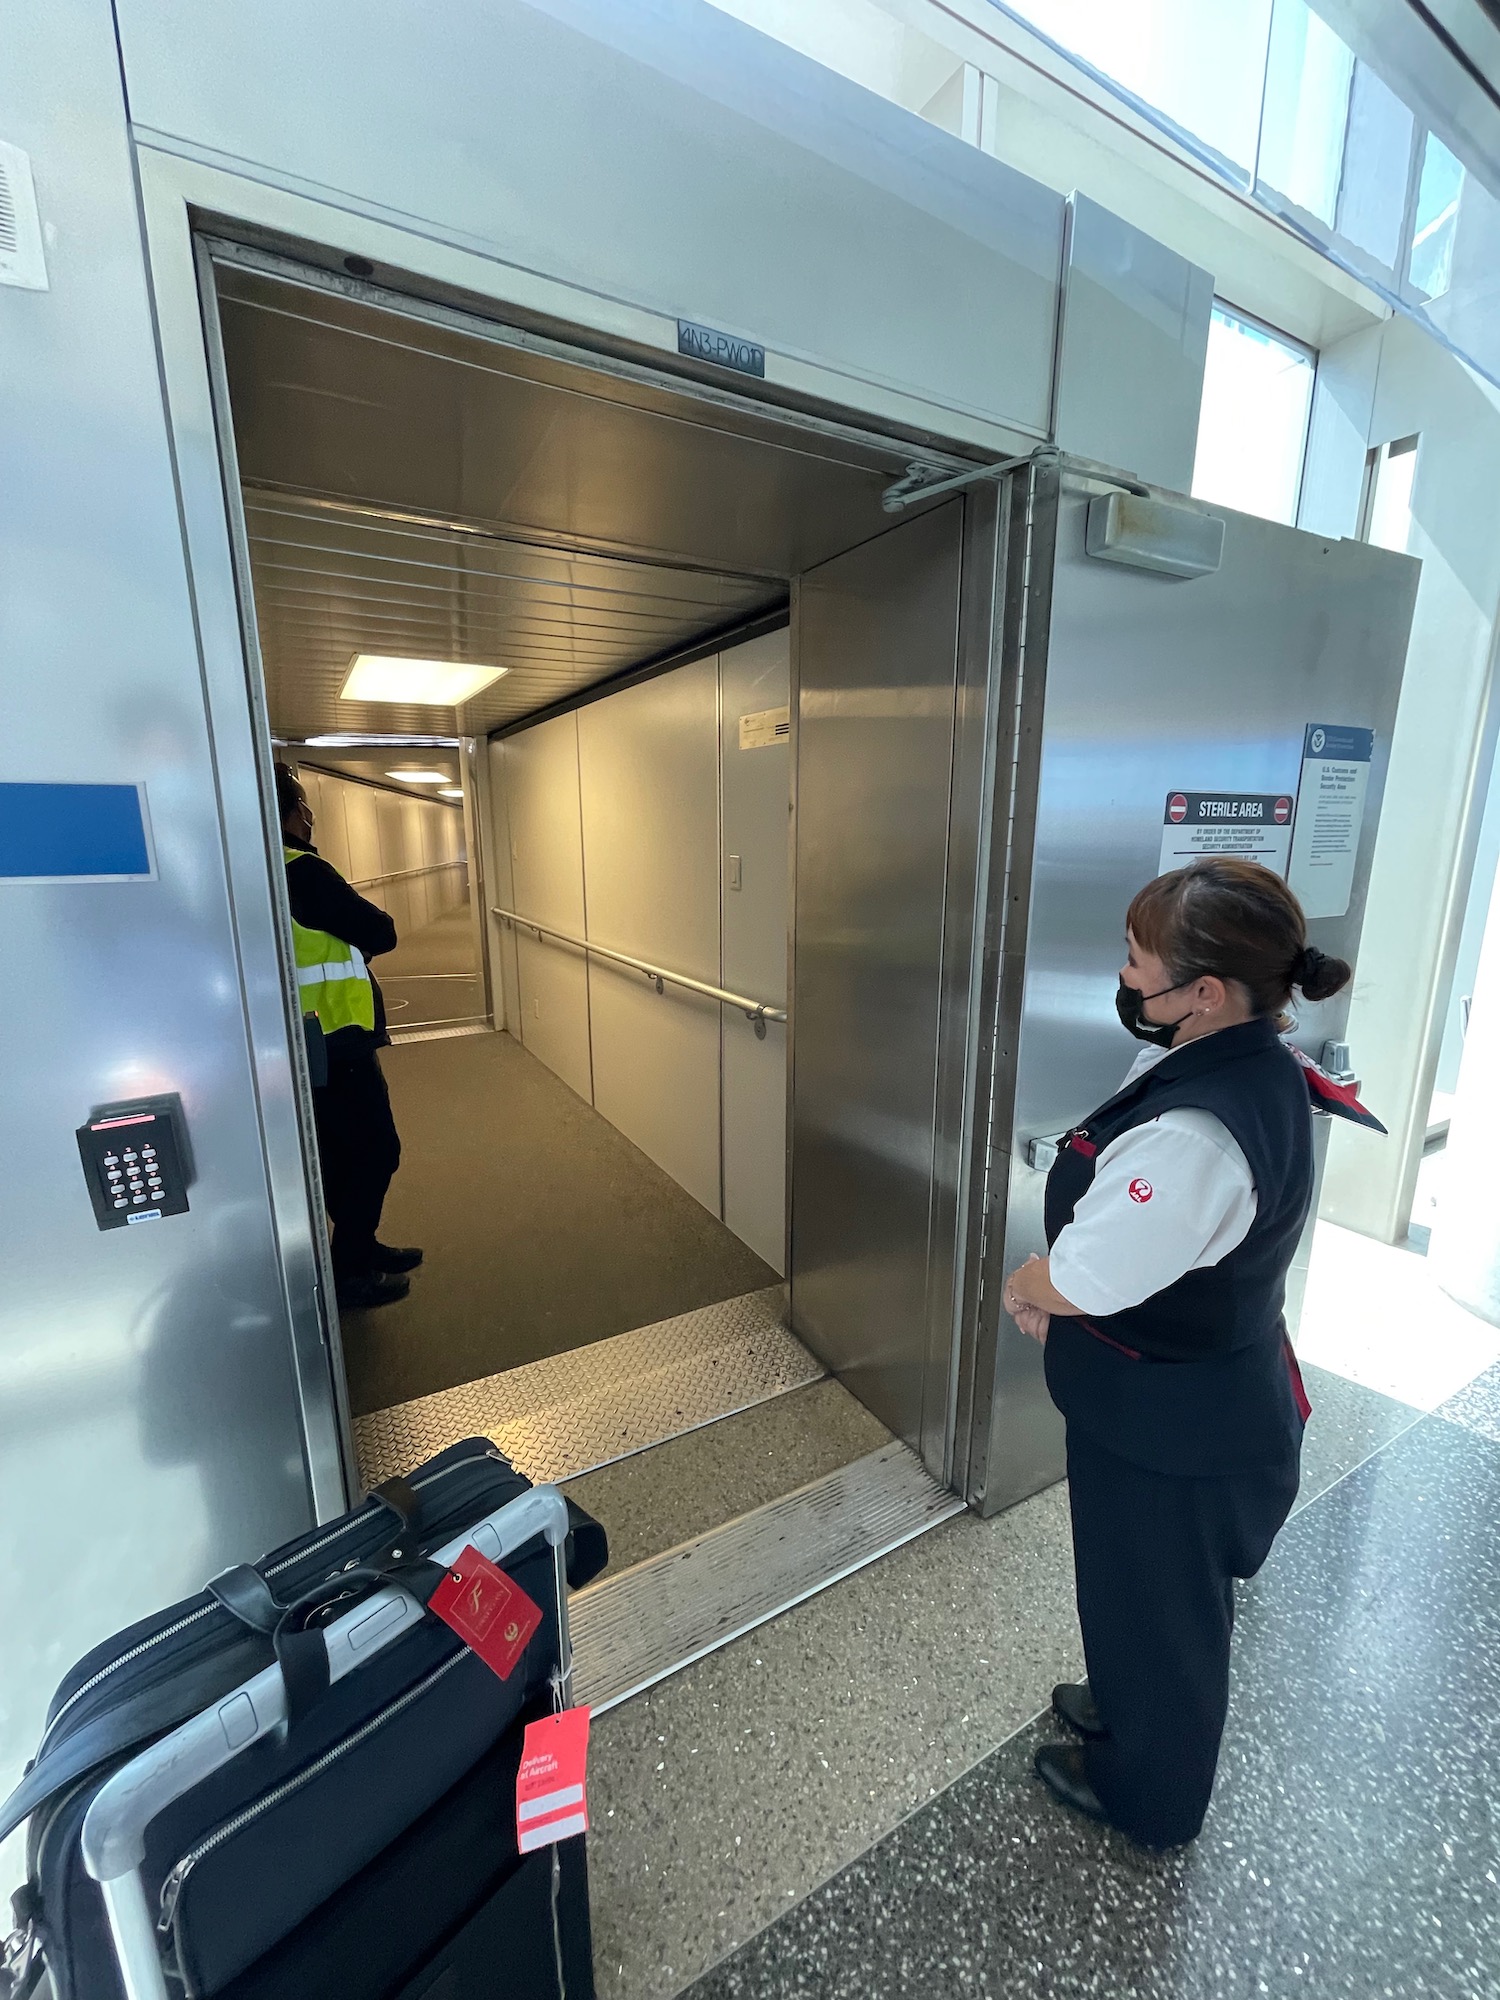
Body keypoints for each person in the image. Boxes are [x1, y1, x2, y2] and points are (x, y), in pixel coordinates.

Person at [1004, 856, 1360, 1850]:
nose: (1124, 980)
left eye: (1134, 962)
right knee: (1131, 1592)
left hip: (1178, 1431)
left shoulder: (1200, 1133)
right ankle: (1125, 1693)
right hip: (1162, 1398)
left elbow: (1092, 1272)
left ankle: (1150, 1792)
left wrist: (1033, 1288)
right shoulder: (1237, 1052)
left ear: (1202, 990)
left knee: (1165, 1618)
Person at [275, 763, 423, 1310]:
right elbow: (379, 931)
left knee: (342, 1156)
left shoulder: (254, 871)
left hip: (310, 1044)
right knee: (374, 1152)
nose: (309, 817)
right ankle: (351, 1269)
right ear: (290, 814)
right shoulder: (302, 871)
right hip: (336, 1041)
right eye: (304, 806)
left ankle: (358, 1245)